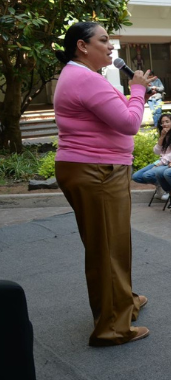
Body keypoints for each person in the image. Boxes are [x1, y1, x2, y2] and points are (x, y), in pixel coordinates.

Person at [53, 21, 152, 345]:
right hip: (96, 171)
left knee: (112, 245)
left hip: (97, 169)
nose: (111, 46)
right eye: (104, 40)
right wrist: (137, 89)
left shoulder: (81, 76)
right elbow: (129, 123)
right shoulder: (83, 78)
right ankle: (111, 327)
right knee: (108, 248)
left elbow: (114, 115)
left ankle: (123, 302)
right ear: (83, 46)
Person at [132, 113, 171, 200]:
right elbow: (156, 151)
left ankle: (169, 190)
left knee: (147, 175)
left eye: (167, 122)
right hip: (161, 162)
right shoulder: (165, 135)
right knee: (136, 176)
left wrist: (159, 164)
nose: (164, 124)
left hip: (170, 163)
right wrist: (162, 137)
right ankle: (160, 185)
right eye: (162, 122)